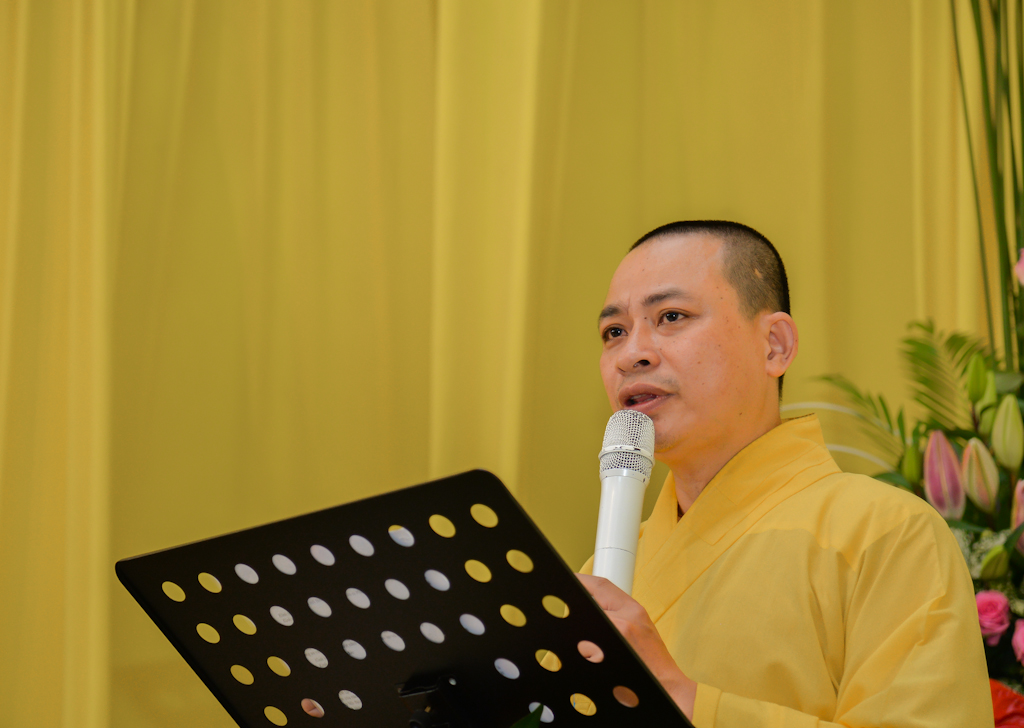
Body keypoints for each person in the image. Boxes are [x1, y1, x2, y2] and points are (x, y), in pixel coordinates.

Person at [576, 220, 992, 727]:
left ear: (774, 345)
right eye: (614, 332)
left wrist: (685, 701)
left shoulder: (888, 533)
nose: (631, 354)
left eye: (671, 316)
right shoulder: (605, 568)